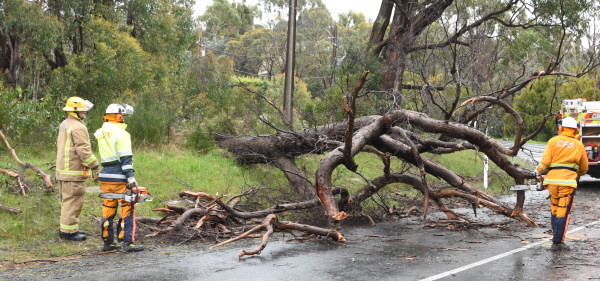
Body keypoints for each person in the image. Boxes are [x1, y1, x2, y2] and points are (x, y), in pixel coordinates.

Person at [94, 103, 143, 252]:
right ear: (119, 116)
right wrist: (131, 178)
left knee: (108, 208)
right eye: (122, 116)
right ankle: (127, 242)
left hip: (105, 176)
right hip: (120, 177)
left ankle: (107, 243)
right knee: (127, 207)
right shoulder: (123, 134)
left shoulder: (100, 133)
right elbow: (126, 160)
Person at [535, 116, 588, 251]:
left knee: (554, 208)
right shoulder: (578, 145)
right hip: (568, 183)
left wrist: (536, 171)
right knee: (563, 211)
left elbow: (545, 163)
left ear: (561, 128)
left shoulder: (553, 141)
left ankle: (555, 237)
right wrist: (577, 173)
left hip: (552, 182)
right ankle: (558, 242)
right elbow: (584, 168)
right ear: (576, 131)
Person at [56, 96, 100, 241]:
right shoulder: (78, 127)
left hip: (63, 171)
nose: (85, 113)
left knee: (66, 201)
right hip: (73, 172)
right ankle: (69, 233)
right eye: (82, 111)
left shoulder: (65, 123)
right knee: (73, 202)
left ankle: (67, 229)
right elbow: (84, 151)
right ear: (75, 111)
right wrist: (95, 166)